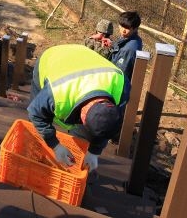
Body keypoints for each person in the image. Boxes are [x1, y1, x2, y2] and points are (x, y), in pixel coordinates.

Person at [28, 44, 130, 173]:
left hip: (86, 60)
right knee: (36, 122)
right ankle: (36, 156)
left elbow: (107, 124)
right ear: (82, 115)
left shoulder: (121, 85)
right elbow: (36, 114)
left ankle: (72, 164)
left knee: (84, 134)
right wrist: (55, 145)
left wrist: (95, 151)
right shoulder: (56, 92)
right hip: (53, 57)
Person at [110, 11, 143, 80]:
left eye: (127, 28)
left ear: (135, 29)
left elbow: (120, 74)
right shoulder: (132, 37)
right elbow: (121, 46)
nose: (123, 30)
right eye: (121, 26)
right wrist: (111, 43)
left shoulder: (128, 51)